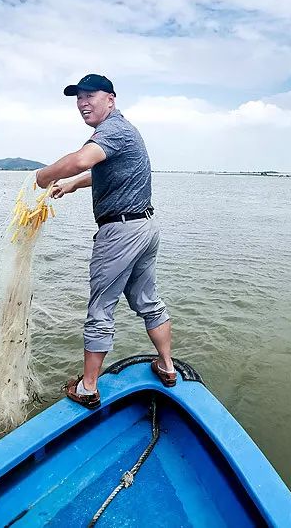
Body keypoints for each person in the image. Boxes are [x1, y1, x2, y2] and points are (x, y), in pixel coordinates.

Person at [35, 74, 175, 409]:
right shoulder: (122, 132)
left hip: (120, 233)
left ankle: (88, 388)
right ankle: (167, 368)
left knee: (101, 308)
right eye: (78, 98)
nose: (82, 103)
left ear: (110, 99)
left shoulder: (112, 129)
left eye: (89, 96)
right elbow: (99, 170)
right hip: (144, 227)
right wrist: (71, 186)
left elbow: (83, 159)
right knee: (147, 300)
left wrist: (44, 175)